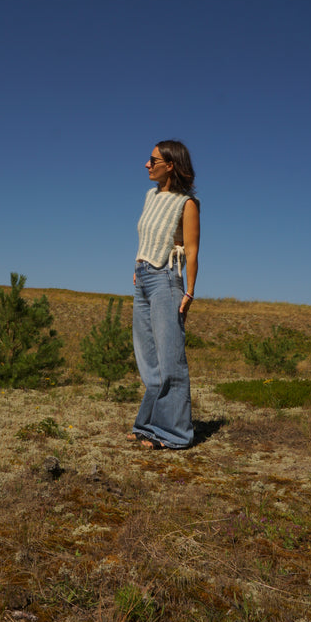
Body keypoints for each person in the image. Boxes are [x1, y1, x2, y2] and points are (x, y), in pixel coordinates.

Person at [128, 140, 200, 450]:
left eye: (152, 159)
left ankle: (175, 435)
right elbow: (147, 236)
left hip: (167, 281)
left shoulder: (187, 204)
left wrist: (190, 291)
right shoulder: (149, 197)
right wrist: (137, 264)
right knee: (148, 361)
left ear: (169, 164)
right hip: (143, 279)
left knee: (171, 361)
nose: (147, 164)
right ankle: (147, 425)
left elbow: (193, 251)